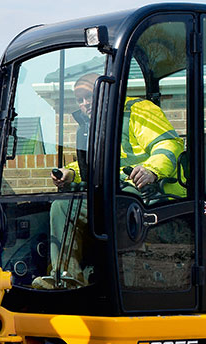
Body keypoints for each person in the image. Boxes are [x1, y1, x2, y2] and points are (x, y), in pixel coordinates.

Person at [35, 73, 183, 288]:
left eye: (89, 97)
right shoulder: (93, 127)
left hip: (149, 192)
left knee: (117, 203)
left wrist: (151, 170)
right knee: (63, 206)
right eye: (80, 99)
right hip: (115, 192)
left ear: (105, 92)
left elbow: (169, 144)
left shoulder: (137, 110)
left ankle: (121, 282)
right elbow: (97, 166)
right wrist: (71, 172)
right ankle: (66, 277)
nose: (85, 104)